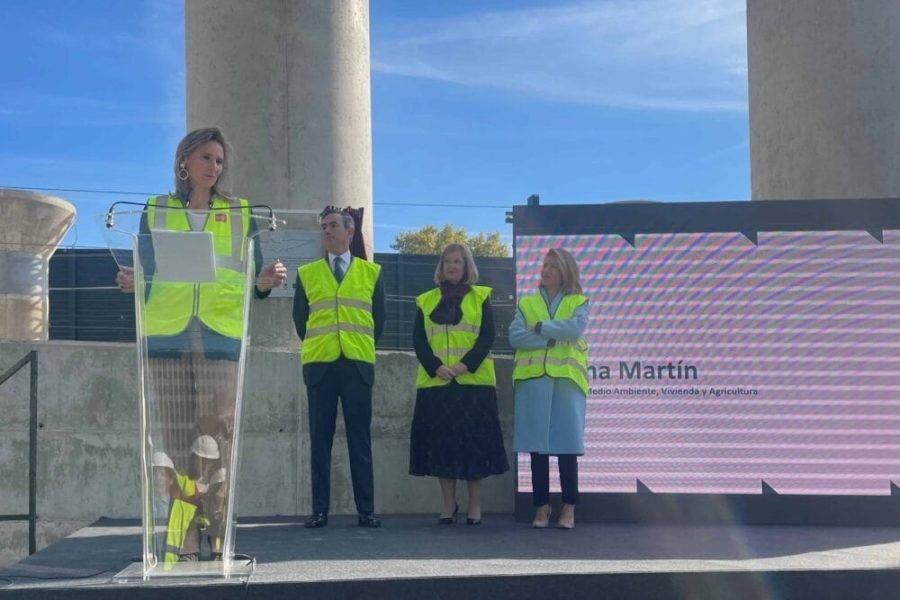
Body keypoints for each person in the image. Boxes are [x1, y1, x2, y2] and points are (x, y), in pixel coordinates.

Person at [117, 127, 287, 555]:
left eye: (219, 160)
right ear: (184, 161)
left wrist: (266, 281)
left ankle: (218, 532)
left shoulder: (241, 211)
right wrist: (133, 281)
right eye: (206, 158)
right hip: (166, 336)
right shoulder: (156, 209)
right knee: (174, 440)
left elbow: (253, 277)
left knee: (215, 439)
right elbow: (146, 268)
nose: (214, 167)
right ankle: (183, 536)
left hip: (221, 337)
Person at [292, 205, 385, 528]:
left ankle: (366, 510)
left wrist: (356, 343)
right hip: (320, 366)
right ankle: (319, 510)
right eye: (324, 227)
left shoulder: (372, 273)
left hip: (357, 365)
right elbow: (300, 321)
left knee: (360, 440)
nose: (327, 231)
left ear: (349, 231)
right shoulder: (307, 273)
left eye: (333, 225)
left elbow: (379, 320)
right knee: (320, 440)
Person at [408, 244, 509, 525]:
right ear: (441, 267)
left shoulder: (481, 297)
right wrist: (436, 367)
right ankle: (448, 504)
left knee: (474, 448)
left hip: (474, 384)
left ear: (467, 267)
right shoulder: (425, 300)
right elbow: (419, 340)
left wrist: (464, 366)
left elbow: (487, 336)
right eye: (447, 261)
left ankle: (475, 505)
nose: (452, 266)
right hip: (437, 383)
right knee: (443, 449)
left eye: (458, 262)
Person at [509, 248, 589, 530]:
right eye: (544, 265)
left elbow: (574, 329)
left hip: (567, 383)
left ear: (566, 271)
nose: (546, 270)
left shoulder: (578, 301)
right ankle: (541, 506)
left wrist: (540, 326)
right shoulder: (527, 302)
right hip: (533, 382)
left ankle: (569, 506)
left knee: (567, 448)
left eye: (553, 266)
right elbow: (515, 336)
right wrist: (551, 339)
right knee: (537, 449)